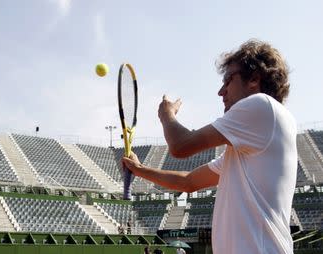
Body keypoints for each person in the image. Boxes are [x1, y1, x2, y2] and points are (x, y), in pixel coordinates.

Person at [122, 39, 296, 254]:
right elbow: (188, 182)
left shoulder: (261, 105)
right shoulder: (249, 145)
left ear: (254, 79)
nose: (221, 92)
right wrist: (139, 170)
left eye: (228, 80)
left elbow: (180, 146)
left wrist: (167, 114)